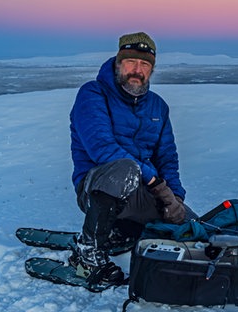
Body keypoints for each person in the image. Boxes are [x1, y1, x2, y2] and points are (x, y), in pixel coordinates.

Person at [69, 32, 197, 285]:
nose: (137, 70)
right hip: (98, 185)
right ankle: (87, 254)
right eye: (130, 62)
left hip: (143, 189)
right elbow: (102, 149)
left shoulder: (158, 106)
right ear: (118, 63)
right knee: (125, 168)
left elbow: (167, 157)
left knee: (191, 227)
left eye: (145, 65)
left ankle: (122, 231)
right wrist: (156, 185)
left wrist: (175, 198)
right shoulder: (93, 94)